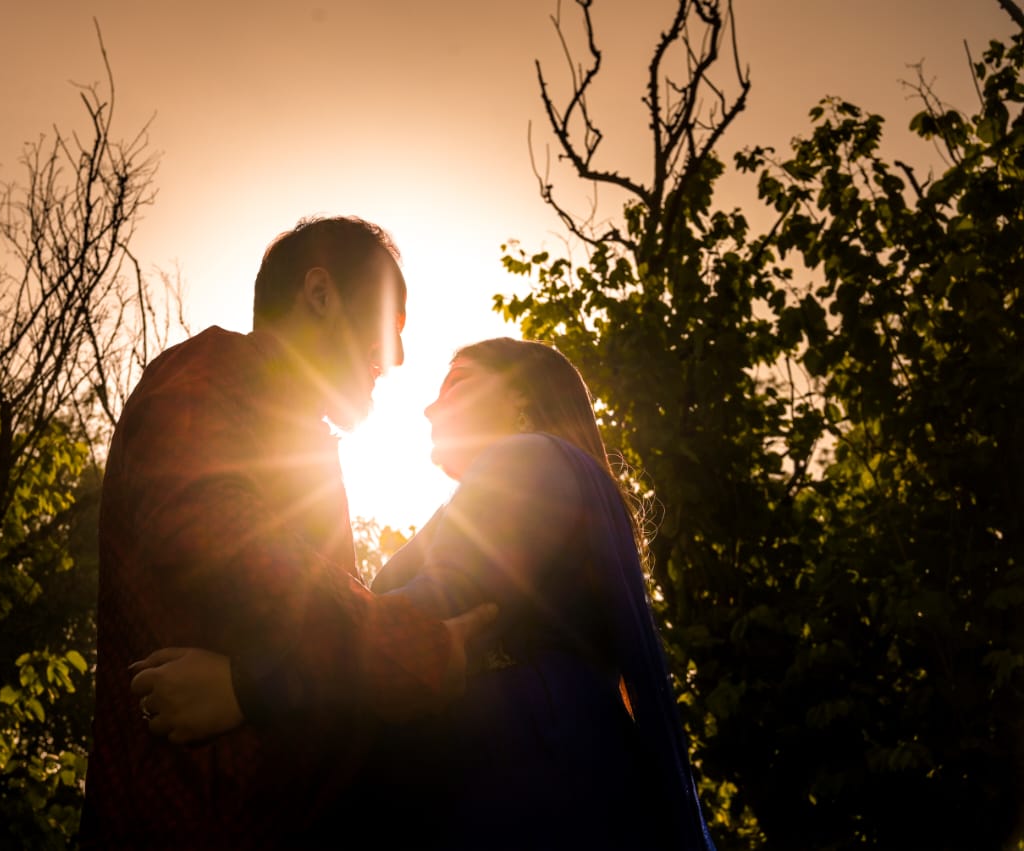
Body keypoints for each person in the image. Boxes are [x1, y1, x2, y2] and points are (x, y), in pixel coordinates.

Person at [132, 338, 716, 850]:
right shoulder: (503, 488)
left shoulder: (528, 457)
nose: (431, 406)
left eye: (457, 383)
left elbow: (427, 606)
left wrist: (246, 687)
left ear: (522, 397)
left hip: (529, 775)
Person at [81, 216, 495, 849]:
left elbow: (300, 637)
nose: (399, 356)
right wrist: (412, 647)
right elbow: (211, 537)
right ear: (321, 294)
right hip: (198, 817)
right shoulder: (210, 372)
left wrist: (253, 689)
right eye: (389, 323)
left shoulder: (297, 433)